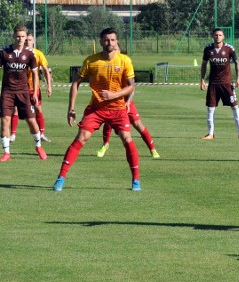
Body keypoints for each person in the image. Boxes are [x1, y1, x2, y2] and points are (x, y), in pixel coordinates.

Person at [53, 28, 139, 191]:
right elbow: (76, 83)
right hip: (96, 109)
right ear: (100, 42)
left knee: (127, 139)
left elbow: (131, 86)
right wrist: (71, 108)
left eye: (113, 40)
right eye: (106, 40)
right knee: (81, 137)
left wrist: (114, 95)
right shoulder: (91, 61)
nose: (110, 43)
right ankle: (60, 178)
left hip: (118, 109)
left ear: (116, 41)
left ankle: (136, 180)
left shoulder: (124, 60)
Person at [0, 25, 45, 162]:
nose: (20, 39)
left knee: (31, 120)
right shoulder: (4, 52)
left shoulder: (30, 53)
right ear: (13, 36)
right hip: (7, 92)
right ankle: (6, 152)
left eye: (23, 36)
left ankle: (38, 146)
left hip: (24, 92)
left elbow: (36, 74)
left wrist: (35, 93)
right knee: (5, 120)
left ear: (26, 37)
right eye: (18, 36)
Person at [200, 28, 239, 141]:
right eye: (216, 35)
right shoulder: (208, 49)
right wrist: (202, 80)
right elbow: (203, 64)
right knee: (210, 108)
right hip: (213, 84)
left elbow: (237, 62)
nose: (218, 37)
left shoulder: (229, 49)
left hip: (227, 83)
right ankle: (210, 133)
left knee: (235, 107)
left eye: (220, 35)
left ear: (223, 37)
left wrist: (238, 79)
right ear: (212, 36)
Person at [11, 33, 53, 145]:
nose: (27, 42)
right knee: (15, 109)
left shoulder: (38, 54)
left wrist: (49, 85)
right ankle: (12, 135)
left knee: (38, 109)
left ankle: (42, 134)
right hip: (20, 88)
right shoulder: (19, 54)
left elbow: (45, 70)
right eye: (26, 40)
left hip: (34, 88)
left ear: (33, 41)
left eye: (29, 40)